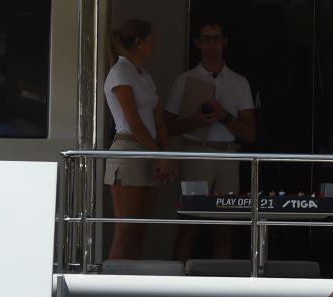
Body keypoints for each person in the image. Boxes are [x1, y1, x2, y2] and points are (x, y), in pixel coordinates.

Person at [167, 23, 255, 259]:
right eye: (206, 39)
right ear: (197, 43)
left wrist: (223, 115)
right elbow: (167, 127)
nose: (212, 44)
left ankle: (223, 290)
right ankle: (175, 289)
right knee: (188, 225)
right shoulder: (184, 80)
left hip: (227, 155)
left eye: (216, 38)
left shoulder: (239, 82)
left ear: (225, 42)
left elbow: (250, 133)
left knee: (224, 229)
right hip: (195, 152)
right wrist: (196, 120)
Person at [102, 20, 174, 261]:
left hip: (149, 150)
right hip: (129, 149)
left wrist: (166, 155)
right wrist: (160, 156)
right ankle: (112, 291)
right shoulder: (120, 72)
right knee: (126, 232)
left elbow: (158, 118)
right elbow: (133, 123)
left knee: (140, 232)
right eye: (152, 40)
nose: (155, 45)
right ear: (139, 42)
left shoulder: (143, 75)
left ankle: (130, 288)